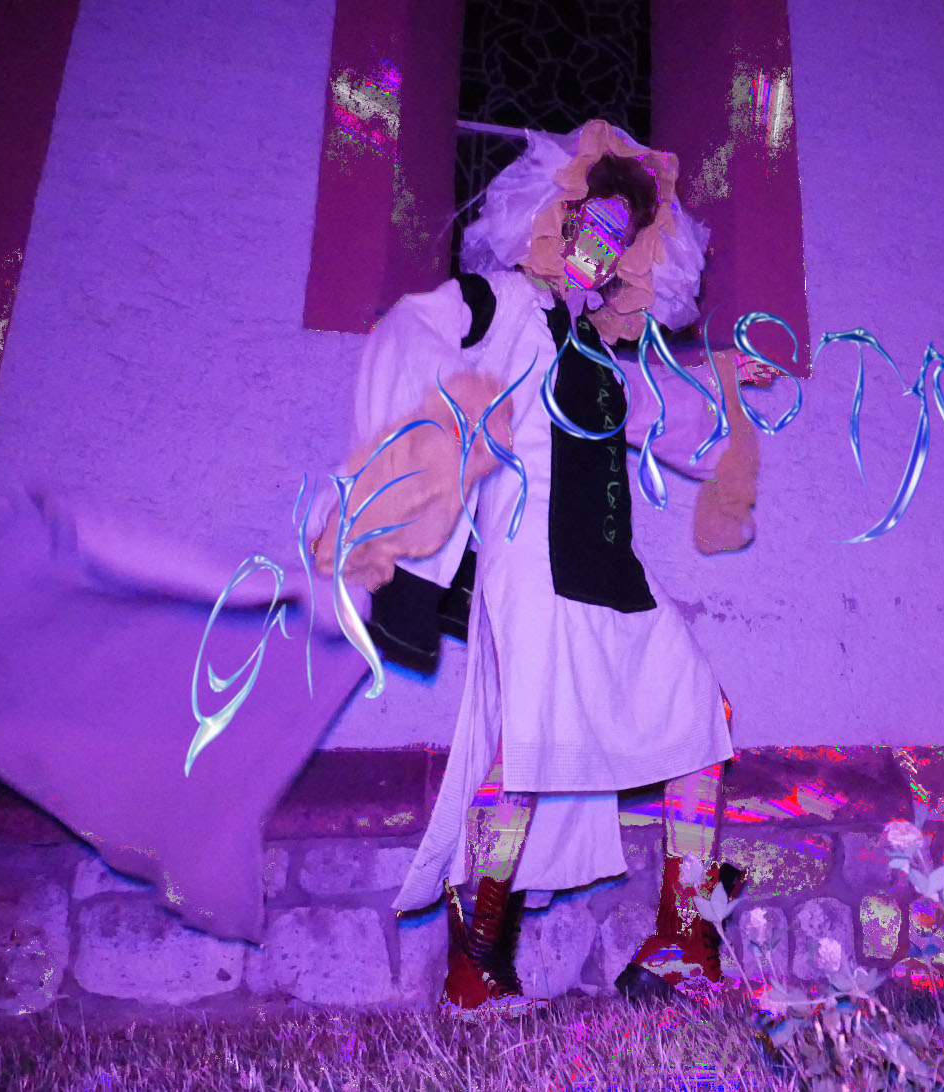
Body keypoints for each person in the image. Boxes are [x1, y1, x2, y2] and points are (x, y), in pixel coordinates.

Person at [314, 118, 763, 1017]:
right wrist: (397, 473)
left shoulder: (594, 345)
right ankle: (477, 962)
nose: (603, 252)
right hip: (535, 566)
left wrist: (721, 379)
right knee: (527, 750)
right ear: (554, 223)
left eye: (620, 241)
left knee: (700, 712)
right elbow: (422, 329)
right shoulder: (510, 303)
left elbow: (657, 423)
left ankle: (683, 937)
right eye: (593, 228)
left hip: (612, 572)